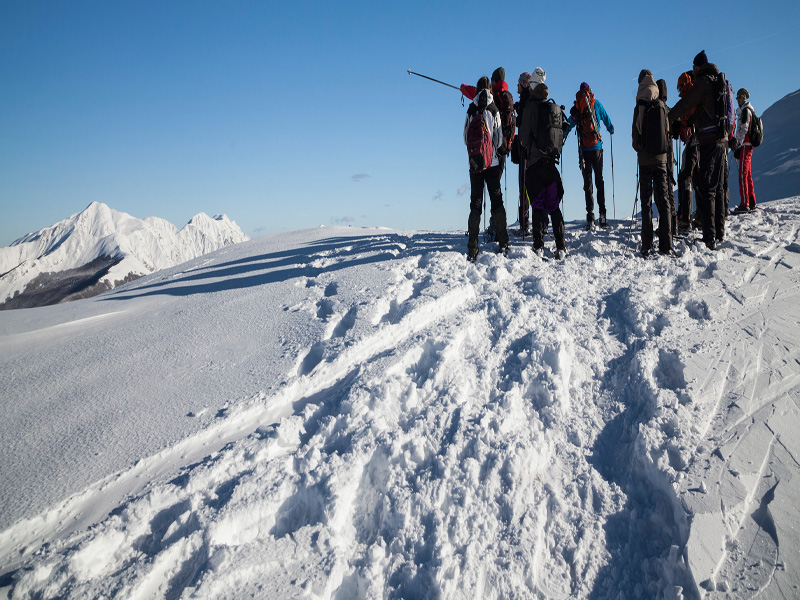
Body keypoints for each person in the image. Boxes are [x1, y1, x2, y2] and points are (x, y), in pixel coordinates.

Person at [668, 51, 728, 250]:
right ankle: (719, 232)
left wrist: (667, 119)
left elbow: (687, 104)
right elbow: (701, 112)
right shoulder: (715, 83)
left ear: (697, 67)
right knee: (718, 188)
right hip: (722, 141)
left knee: (707, 188)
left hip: (709, 141)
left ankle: (709, 237)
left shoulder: (702, 83)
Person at [518, 68, 567, 259]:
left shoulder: (530, 107)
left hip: (535, 164)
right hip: (551, 164)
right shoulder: (552, 109)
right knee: (554, 207)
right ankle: (561, 246)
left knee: (537, 205)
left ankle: (539, 246)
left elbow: (523, 137)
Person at [462, 68, 514, 242]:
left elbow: (465, 137)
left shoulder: (471, 108)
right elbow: (499, 140)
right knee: (497, 201)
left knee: (475, 203)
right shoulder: (494, 109)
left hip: (475, 164)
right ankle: (504, 242)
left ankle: (473, 245)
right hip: (491, 163)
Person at [564, 82, 615, 229]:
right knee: (599, 181)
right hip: (597, 148)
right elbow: (606, 119)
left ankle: (590, 216)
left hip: (584, 150)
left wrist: (561, 137)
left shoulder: (578, 108)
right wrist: (611, 129)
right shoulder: (596, 104)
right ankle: (603, 215)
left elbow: (569, 124)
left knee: (588, 184)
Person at [632, 70, 672, 256]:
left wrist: (641, 148)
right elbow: (667, 132)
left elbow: (635, 138)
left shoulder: (639, 104)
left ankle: (646, 245)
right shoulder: (662, 105)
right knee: (663, 201)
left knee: (646, 203)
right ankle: (666, 243)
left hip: (645, 160)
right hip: (662, 160)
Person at [675, 71, 699, 231]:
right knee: (694, 178)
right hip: (697, 142)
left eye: (679, 88)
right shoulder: (694, 95)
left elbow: (690, 118)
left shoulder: (690, 98)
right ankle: (696, 215)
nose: (679, 92)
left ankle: (685, 216)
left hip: (694, 142)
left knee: (686, 177)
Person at [657, 78, 678, 238]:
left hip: (659, 155)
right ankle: (674, 225)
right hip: (670, 154)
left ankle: (666, 226)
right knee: (669, 190)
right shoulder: (671, 111)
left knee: (660, 191)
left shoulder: (656, 109)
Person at [732, 87, 757, 212]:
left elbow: (744, 128)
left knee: (742, 174)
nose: (738, 100)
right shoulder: (747, 110)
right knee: (747, 174)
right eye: (737, 98)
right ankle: (751, 201)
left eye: (739, 97)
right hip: (748, 145)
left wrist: (738, 143)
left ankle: (744, 203)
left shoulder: (745, 111)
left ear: (744, 98)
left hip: (745, 145)